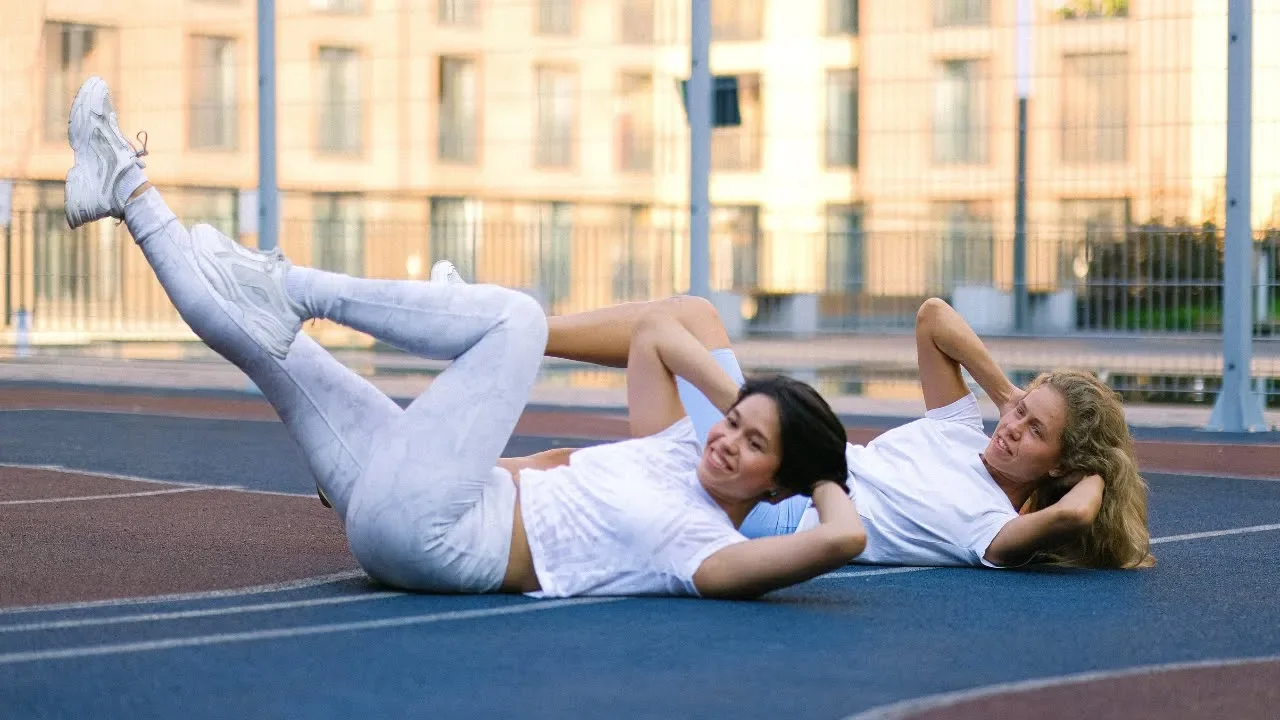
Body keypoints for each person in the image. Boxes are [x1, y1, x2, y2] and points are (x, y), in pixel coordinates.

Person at [64, 76, 865, 599]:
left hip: (439, 537)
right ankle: (125, 188)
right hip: (415, 499)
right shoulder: (670, 449)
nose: (724, 439)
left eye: (752, 446)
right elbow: (658, 333)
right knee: (268, 345)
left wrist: (820, 470)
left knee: (519, 319)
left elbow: (845, 537)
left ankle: (297, 288)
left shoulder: (709, 552)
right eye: (733, 425)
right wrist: (746, 397)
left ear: (778, 485)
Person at [448, 279, 1155, 572]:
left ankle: (505, 330)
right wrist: (1005, 392)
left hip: (779, 508)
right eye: (1021, 412)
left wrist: (1095, 475)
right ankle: (504, 339)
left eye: (1034, 432)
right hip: (782, 463)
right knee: (567, 464)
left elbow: (1072, 515)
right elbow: (933, 317)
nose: (1013, 427)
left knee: (688, 321)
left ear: (1061, 466)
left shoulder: (990, 530)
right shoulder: (960, 430)